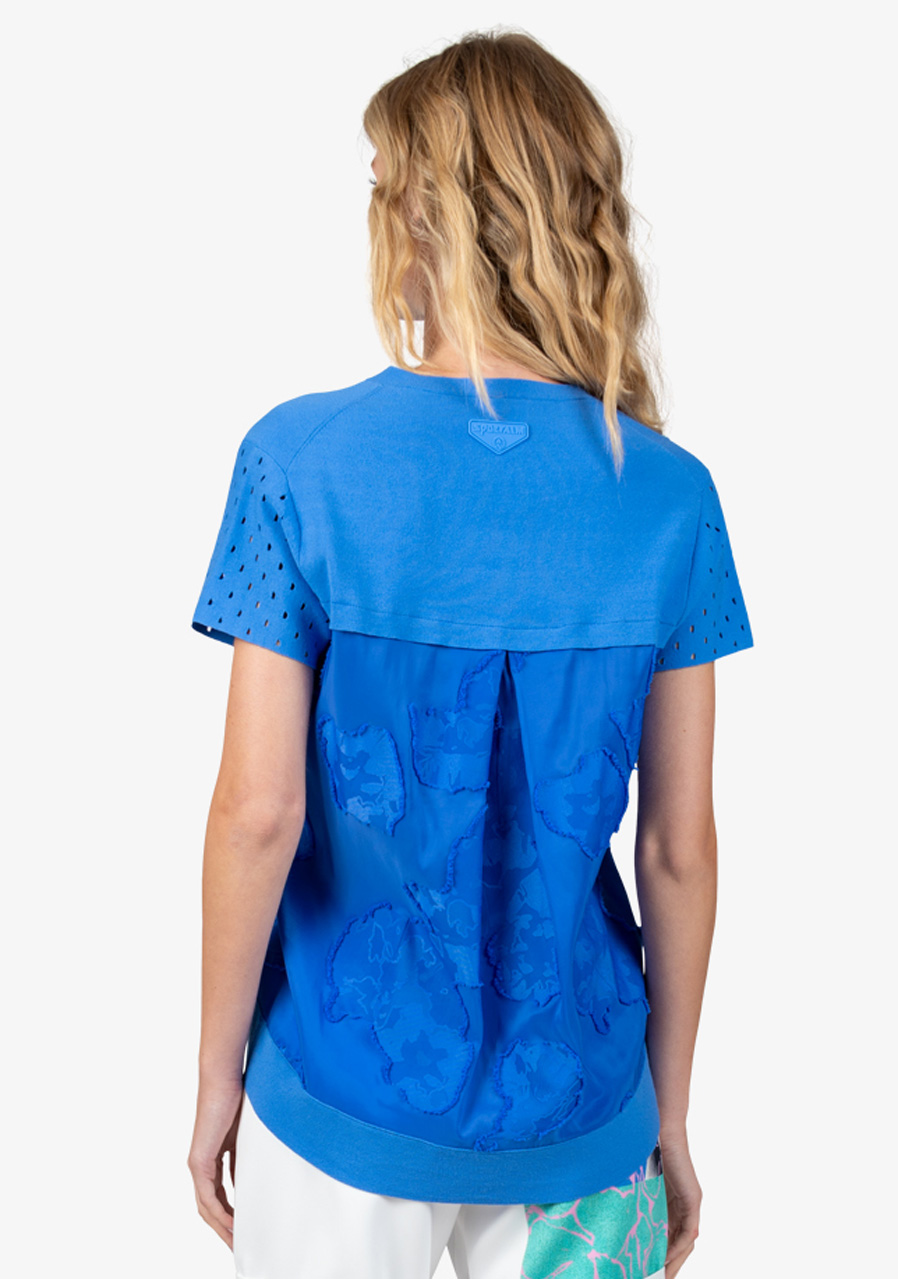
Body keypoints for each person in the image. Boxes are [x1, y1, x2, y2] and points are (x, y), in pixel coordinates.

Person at [186, 28, 754, 1279]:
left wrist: (217, 1074)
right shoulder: (669, 496)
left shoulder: (298, 463)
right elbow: (679, 846)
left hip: (334, 1106)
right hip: (584, 1117)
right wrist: (667, 1113)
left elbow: (257, 811)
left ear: (422, 216)